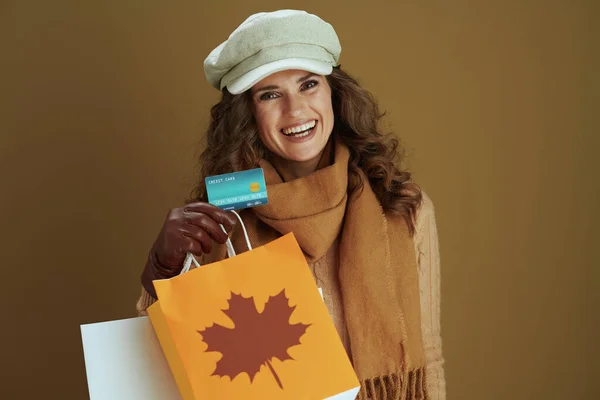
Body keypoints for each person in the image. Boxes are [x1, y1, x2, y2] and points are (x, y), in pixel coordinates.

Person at [136, 9, 445, 400]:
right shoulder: (222, 218)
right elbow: (168, 357)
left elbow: (428, 355)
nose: (295, 111)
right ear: (247, 112)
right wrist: (160, 272)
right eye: (270, 94)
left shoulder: (401, 207)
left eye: (308, 84)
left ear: (335, 92)